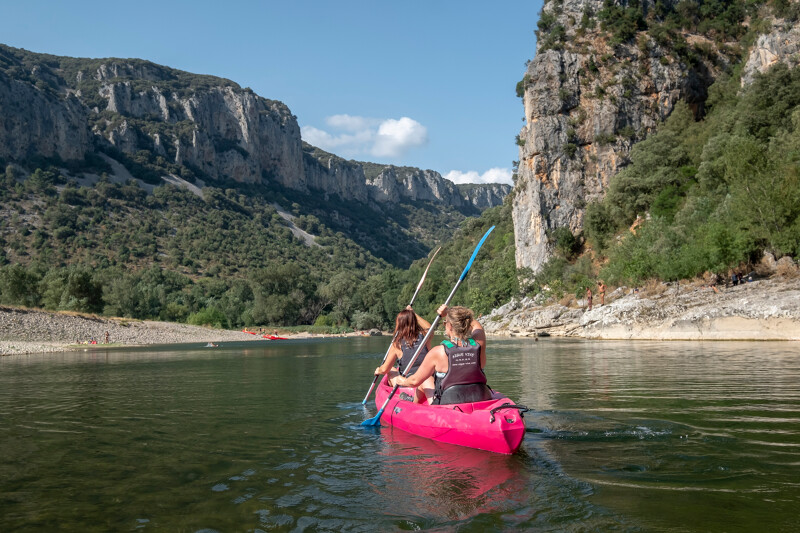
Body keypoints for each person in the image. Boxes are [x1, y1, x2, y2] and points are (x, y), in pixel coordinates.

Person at [395, 304, 491, 405]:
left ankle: (412, 403)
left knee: (426, 379)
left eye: (445, 323)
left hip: (449, 403)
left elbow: (414, 381)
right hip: (481, 398)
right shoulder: (479, 344)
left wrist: (402, 381)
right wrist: (450, 314)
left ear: (449, 326)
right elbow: (476, 325)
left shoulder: (438, 352)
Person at [374, 306, 433, 402]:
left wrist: (378, 370)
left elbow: (385, 369)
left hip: (408, 383)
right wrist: (413, 314)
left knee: (392, 370)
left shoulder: (396, 344)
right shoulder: (425, 337)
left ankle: (399, 394)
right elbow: (430, 327)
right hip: (426, 379)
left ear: (399, 324)